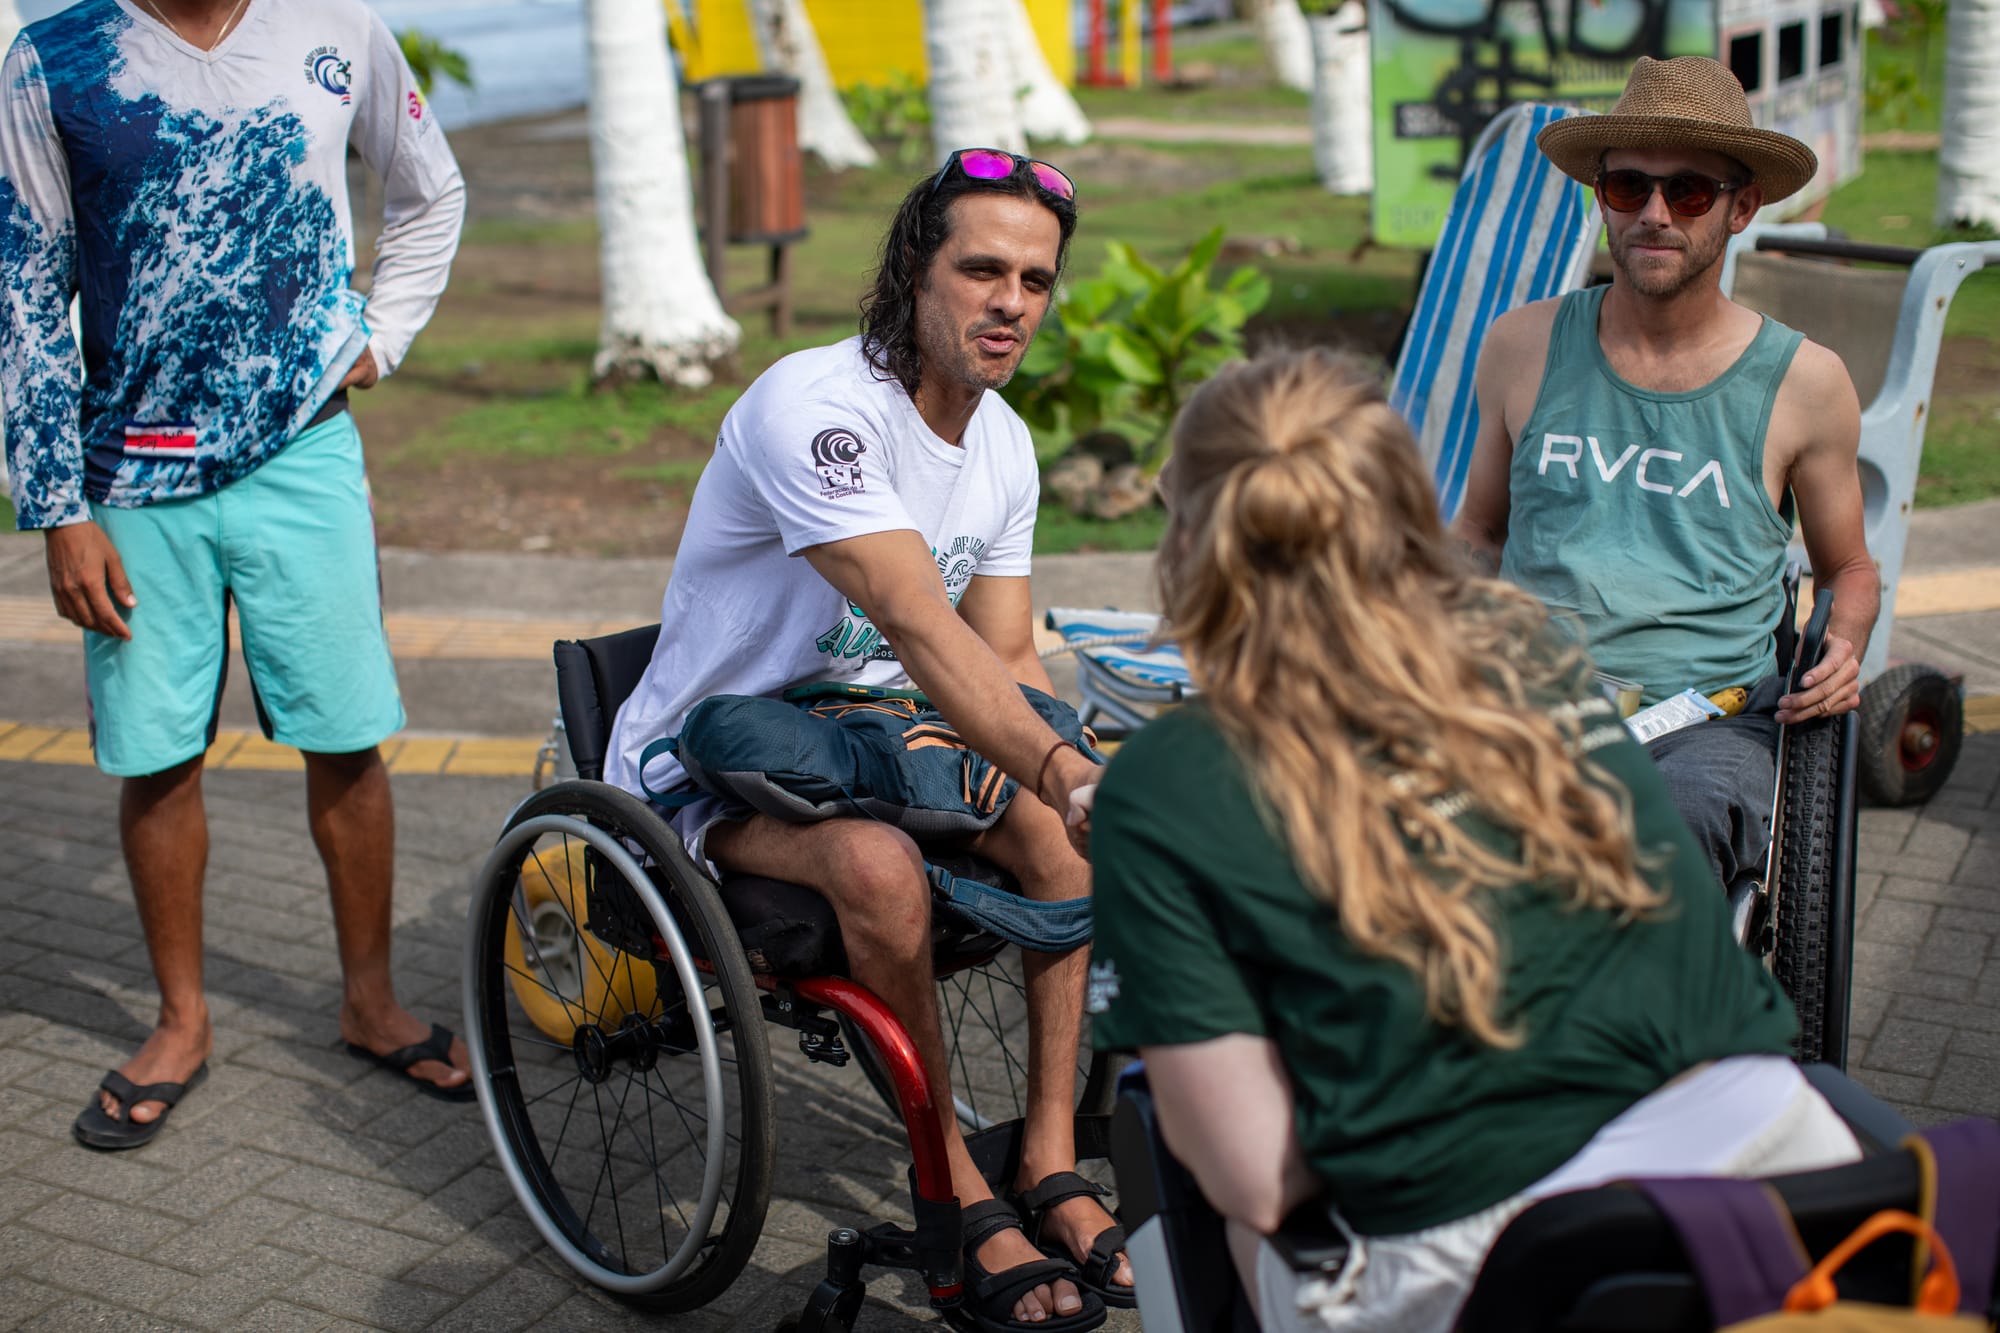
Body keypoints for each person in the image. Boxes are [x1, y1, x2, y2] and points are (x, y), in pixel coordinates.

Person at [1086, 347, 1863, 1333]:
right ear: (1404, 508)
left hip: (1508, 1262)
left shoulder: (1169, 781)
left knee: (1176, 1161)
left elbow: (1256, 1178)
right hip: (1789, 1183)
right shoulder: (1527, 651)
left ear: (1191, 542)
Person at [604, 150, 1131, 1332]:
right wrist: (1054, 763)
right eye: (981, 269)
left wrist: (1070, 762)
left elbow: (1000, 654)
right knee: (878, 865)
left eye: (1035, 282)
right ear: (913, 269)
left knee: (1062, 835)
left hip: (878, 743)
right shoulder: (816, 409)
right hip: (711, 768)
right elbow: (914, 622)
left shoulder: (1001, 441)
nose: (1010, 303)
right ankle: (949, 1175)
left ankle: (1046, 1154)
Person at [0, 0, 470, 1149]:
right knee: (157, 753)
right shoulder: (52, 60)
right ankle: (181, 1020)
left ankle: (370, 1000)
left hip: (302, 449)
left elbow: (429, 191)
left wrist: (381, 333)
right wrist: (55, 506)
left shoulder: (339, 27)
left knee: (345, 735)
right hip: (130, 471)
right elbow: (24, 288)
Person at [1453, 55, 1877, 897]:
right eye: (1627, 188)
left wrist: (1846, 644)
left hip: (1704, 721)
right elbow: (1478, 532)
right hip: (1524, 703)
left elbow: (1848, 569)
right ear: (1600, 192)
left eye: (1687, 192)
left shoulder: (1804, 382)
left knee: (1658, 838)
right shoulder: (1522, 345)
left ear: (1742, 205)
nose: (1652, 215)